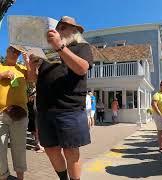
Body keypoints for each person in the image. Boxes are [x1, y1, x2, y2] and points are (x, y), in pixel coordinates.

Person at [34, 16, 93, 180]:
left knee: (70, 151)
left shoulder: (82, 47)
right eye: (58, 27)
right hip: (45, 110)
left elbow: (82, 69)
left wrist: (59, 46)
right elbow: (33, 79)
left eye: (63, 27)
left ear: (74, 31)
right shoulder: (48, 53)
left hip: (69, 109)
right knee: (51, 149)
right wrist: (32, 66)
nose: (59, 30)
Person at [0, 45, 36, 180]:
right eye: (12, 50)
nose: (15, 53)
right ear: (6, 51)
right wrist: (1, 75)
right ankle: (3, 176)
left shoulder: (22, 68)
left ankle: (20, 177)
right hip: (1, 114)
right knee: (0, 149)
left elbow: (32, 78)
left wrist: (27, 59)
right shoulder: (0, 66)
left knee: (19, 149)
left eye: (17, 52)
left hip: (20, 114)